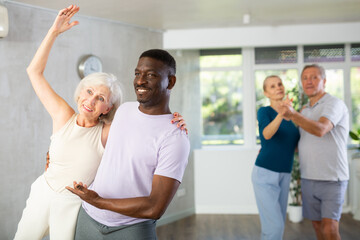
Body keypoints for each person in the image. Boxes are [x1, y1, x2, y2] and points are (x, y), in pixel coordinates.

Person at [15, 5, 186, 240]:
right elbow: (34, 72)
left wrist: (176, 122)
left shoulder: (110, 130)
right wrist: (53, 32)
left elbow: (145, 129)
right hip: (48, 194)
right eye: (88, 91)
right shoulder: (67, 115)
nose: (90, 100)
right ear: (79, 92)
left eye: (101, 98)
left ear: (108, 108)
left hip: (74, 204)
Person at [66, 48, 190, 239]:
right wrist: (55, 154)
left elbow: (155, 207)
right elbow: (91, 135)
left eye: (151, 75)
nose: (140, 81)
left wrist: (98, 201)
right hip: (88, 219)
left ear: (170, 81)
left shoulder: (175, 138)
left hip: (131, 229)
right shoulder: (124, 109)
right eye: (137, 74)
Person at [280, 64, 349, 240]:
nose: (308, 81)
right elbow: (301, 142)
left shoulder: (333, 103)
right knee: (317, 226)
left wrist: (293, 115)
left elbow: (320, 129)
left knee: (330, 229)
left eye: (314, 77)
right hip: (309, 177)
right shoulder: (305, 110)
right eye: (305, 78)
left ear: (324, 81)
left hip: (332, 178)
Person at [251, 75, 300, 240]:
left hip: (285, 173)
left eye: (279, 84)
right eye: (272, 86)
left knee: (273, 226)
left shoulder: (294, 116)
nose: (278, 87)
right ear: (266, 93)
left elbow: (297, 145)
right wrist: (281, 113)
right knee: (275, 226)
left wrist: (290, 113)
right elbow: (266, 134)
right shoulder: (264, 111)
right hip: (264, 173)